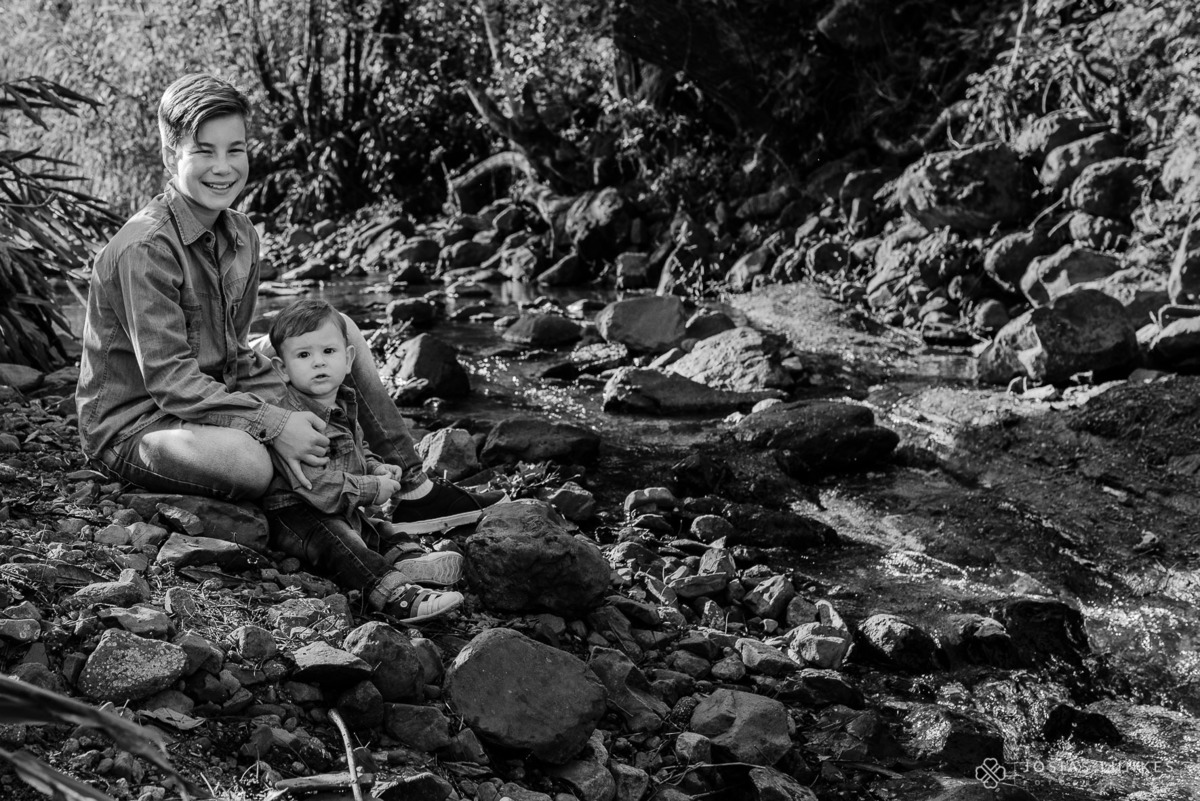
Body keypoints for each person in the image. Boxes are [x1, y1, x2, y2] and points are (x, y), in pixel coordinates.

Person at [75, 72, 495, 534]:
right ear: (170, 156)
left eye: (235, 150)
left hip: (210, 386)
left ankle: (412, 487)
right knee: (249, 463)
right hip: (137, 423)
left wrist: (288, 411)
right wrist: (275, 423)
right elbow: (169, 380)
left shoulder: (241, 234)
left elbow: (232, 351)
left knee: (339, 330)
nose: (223, 167)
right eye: (204, 151)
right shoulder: (146, 248)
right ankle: (338, 483)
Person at [262, 299, 463, 622]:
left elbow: (358, 446)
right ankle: (392, 593)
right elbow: (317, 487)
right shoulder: (295, 419)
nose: (318, 363)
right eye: (303, 355)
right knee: (342, 542)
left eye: (328, 352)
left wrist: (375, 467)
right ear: (282, 369)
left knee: (376, 527)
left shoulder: (342, 400)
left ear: (348, 358)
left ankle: (408, 557)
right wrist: (372, 488)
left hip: (338, 504)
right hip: (296, 514)